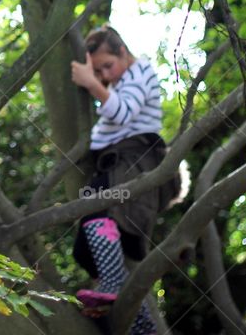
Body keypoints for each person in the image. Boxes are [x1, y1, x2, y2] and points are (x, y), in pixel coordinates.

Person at [69, 26, 173, 335]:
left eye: (107, 66)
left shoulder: (141, 73)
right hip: (115, 164)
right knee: (83, 249)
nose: (104, 74)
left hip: (133, 160)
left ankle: (116, 288)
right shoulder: (120, 81)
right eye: (98, 70)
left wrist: (91, 83)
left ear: (124, 53)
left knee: (98, 211)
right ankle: (138, 321)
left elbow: (124, 112)